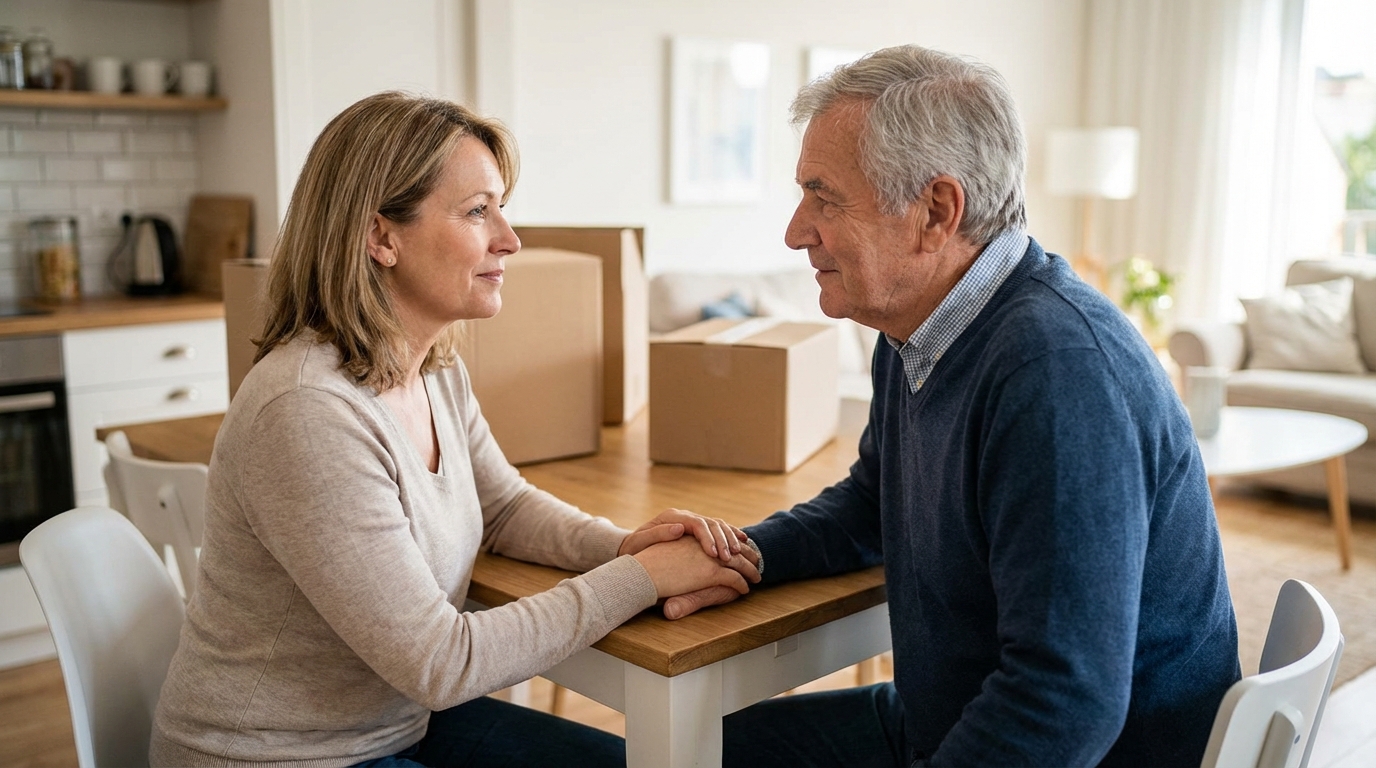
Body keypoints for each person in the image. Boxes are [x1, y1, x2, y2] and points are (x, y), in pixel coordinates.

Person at [149, 91, 759, 768]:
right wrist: (643, 577)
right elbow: (441, 663)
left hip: (395, 729)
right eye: (477, 211)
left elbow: (502, 509)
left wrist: (621, 545)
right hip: (279, 757)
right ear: (380, 236)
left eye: (502, 207)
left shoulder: (433, 368)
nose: (510, 238)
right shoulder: (306, 412)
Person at [672, 45, 1241, 766]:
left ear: (937, 210)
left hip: (1087, 750)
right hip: (943, 718)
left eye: (825, 197)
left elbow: (1063, 700)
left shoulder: (1056, 374)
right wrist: (737, 554)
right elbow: (868, 507)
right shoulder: (914, 331)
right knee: (685, 753)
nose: (795, 230)